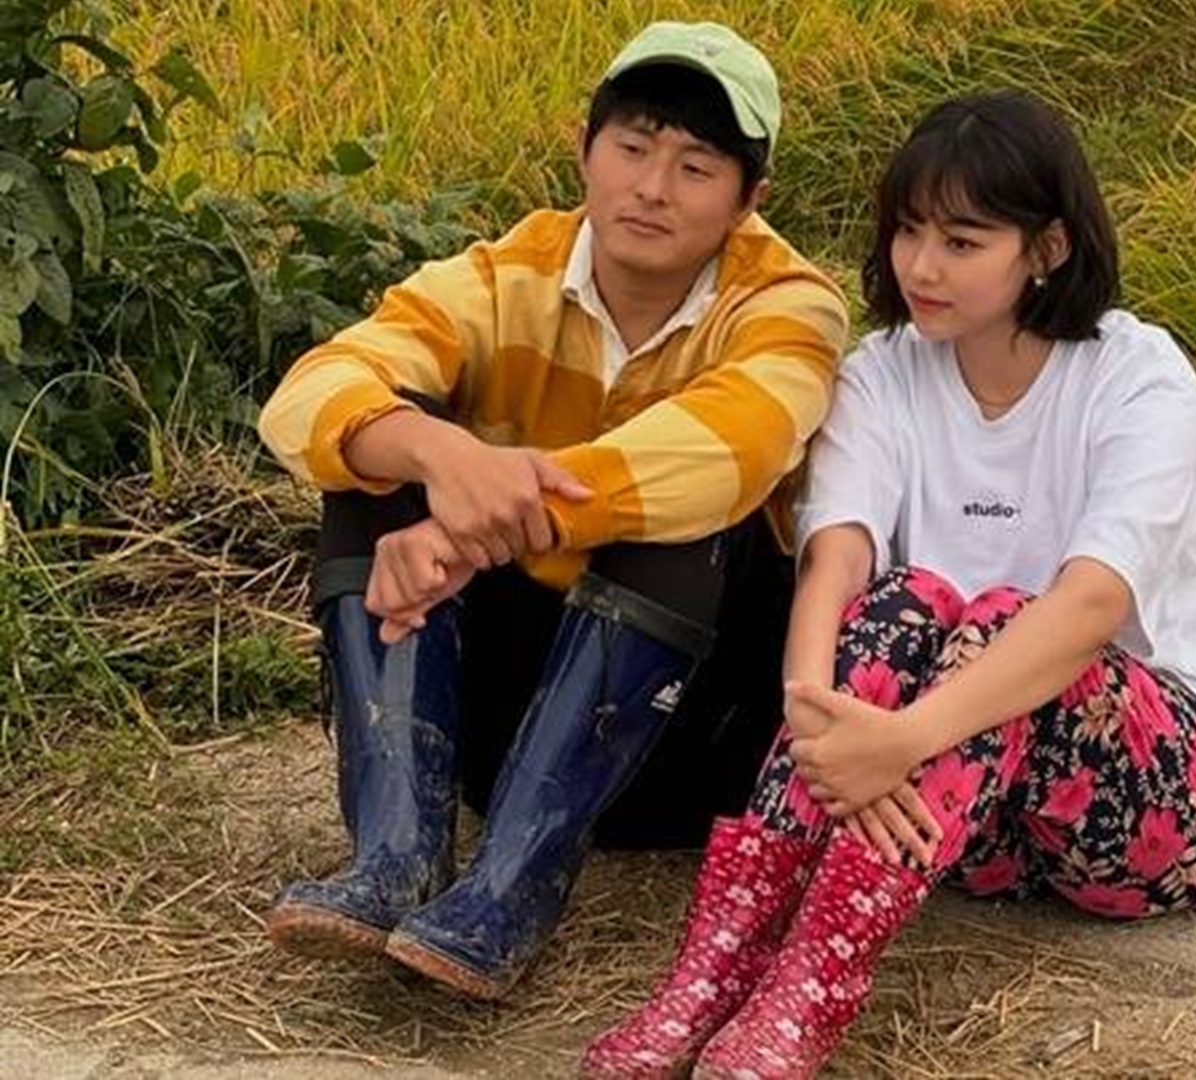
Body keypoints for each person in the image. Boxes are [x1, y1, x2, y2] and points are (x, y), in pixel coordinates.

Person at [581, 90, 1196, 1079]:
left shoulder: (1137, 377)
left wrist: (901, 739)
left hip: (1164, 813)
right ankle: (711, 971)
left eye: (962, 241)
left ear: (1046, 249)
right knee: (901, 600)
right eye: (908, 231)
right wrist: (817, 720)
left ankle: (811, 990)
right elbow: (836, 560)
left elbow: (1090, 607)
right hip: (959, 828)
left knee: (1004, 616)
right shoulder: (882, 373)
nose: (920, 266)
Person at [254, 21, 849, 1001]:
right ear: (584, 150)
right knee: (376, 456)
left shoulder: (788, 304)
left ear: (751, 200)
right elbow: (311, 391)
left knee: (681, 507)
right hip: (507, 724)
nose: (652, 188)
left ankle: (513, 889)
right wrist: (442, 457)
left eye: (697, 168)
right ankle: (395, 858)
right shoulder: (506, 274)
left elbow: (728, 448)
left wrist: (474, 523)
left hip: (687, 740)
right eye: (632, 148)